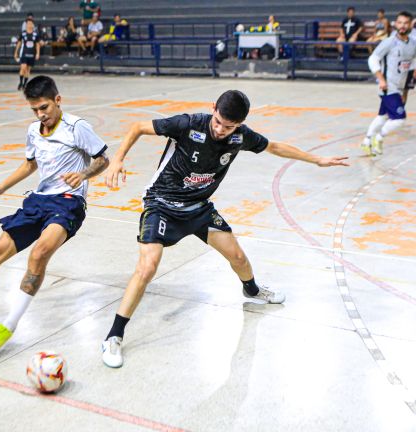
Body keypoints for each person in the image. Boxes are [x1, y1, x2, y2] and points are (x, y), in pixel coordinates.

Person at [100, 90, 349, 368]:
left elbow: (275, 147)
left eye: (228, 126)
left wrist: (316, 160)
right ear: (213, 109)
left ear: (239, 124)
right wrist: (118, 159)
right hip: (161, 203)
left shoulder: (240, 137)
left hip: (199, 207)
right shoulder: (188, 123)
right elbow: (138, 127)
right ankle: (114, 335)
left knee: (239, 258)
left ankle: (252, 291)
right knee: (147, 268)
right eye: (218, 121)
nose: (220, 130)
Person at [0, 76, 109, 353]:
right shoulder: (34, 130)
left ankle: (9, 324)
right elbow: (30, 165)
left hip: (69, 203)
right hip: (39, 201)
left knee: (39, 253)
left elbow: (103, 159)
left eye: (44, 107)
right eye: (34, 110)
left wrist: (83, 174)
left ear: (58, 100)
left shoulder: (77, 127)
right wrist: (1, 187)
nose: (40, 115)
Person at [362, 11, 416, 156]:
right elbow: (372, 59)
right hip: (388, 86)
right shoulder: (389, 42)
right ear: (395, 24)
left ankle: (367, 141)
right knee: (399, 119)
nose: (402, 26)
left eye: (405, 23)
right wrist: (381, 79)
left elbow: (410, 67)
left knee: (383, 116)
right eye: (399, 22)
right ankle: (379, 138)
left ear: (411, 24)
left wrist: (405, 91)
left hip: (399, 87)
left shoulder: (412, 44)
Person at [15, 19, 41, 91]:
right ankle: (20, 82)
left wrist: (38, 53)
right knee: (23, 67)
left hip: (31, 53)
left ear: (33, 25)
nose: (29, 25)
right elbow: (19, 43)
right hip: (24, 53)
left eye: (31, 23)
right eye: (28, 23)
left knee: (28, 70)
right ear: (26, 25)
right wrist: (16, 52)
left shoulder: (35, 34)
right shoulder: (23, 33)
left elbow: (37, 44)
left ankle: (24, 84)